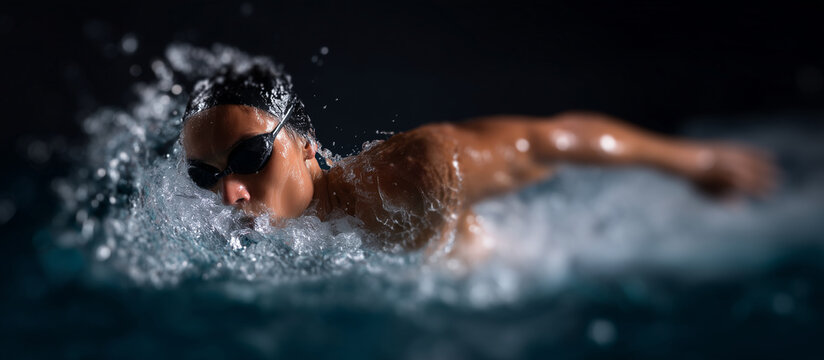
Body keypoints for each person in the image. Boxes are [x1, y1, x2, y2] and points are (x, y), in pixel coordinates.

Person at [181, 62, 776, 260]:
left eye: (251, 156)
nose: (231, 194)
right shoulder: (228, 250)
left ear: (304, 142)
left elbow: (555, 140)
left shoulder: (411, 176)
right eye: (207, 175)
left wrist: (694, 162)